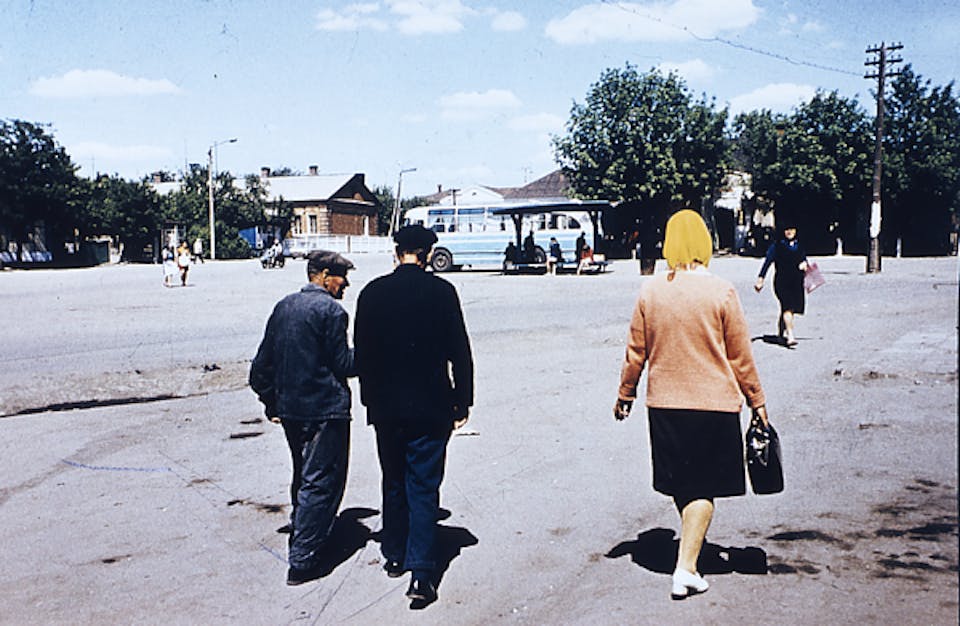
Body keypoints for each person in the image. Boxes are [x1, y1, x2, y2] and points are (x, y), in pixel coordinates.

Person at [614, 209, 769, 600]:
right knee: (703, 488)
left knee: (683, 483)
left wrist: (625, 394)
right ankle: (685, 569)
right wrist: (757, 401)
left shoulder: (651, 291)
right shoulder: (721, 292)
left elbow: (636, 351)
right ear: (704, 242)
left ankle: (689, 554)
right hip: (713, 407)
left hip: (664, 406)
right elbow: (740, 356)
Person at [354, 225, 474, 608]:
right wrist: (463, 401)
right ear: (427, 255)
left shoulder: (372, 293)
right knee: (423, 485)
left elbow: (363, 355)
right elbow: (460, 351)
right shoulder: (443, 292)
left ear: (397, 253)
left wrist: (370, 401)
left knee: (393, 479)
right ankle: (421, 573)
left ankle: (394, 554)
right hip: (432, 406)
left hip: (386, 408)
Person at [249, 250, 356, 586]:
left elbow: (259, 369)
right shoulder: (331, 311)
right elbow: (344, 364)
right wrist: (375, 352)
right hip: (325, 410)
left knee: (304, 475)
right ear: (323, 276)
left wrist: (273, 404)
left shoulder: (284, 307)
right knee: (321, 481)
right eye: (341, 277)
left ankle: (304, 533)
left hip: (292, 411)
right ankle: (303, 560)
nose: (345, 284)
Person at [754, 221, 809, 346]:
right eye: (786, 229)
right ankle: (790, 335)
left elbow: (804, 259)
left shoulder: (799, 246)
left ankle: (780, 333)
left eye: (792, 229)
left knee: (789, 309)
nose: (789, 232)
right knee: (787, 306)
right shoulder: (777, 246)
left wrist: (804, 264)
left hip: (796, 282)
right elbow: (767, 263)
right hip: (781, 282)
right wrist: (760, 280)